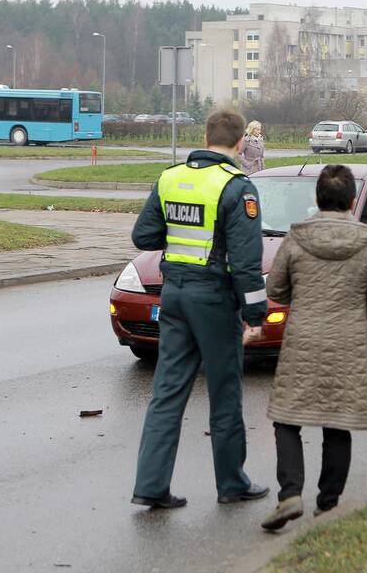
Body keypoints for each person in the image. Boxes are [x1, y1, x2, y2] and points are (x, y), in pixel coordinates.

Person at [130, 110, 270, 509]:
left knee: (167, 392)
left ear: (205, 135)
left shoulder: (170, 177)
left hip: (173, 295)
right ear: (241, 142)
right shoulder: (236, 187)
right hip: (213, 300)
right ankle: (231, 483)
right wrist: (256, 315)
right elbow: (245, 263)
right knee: (224, 393)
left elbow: (143, 235)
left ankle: (151, 486)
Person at [256, 164, 367, 530]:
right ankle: (328, 504)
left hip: (302, 338)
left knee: (287, 418)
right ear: (352, 201)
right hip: (348, 341)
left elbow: (276, 290)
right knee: (338, 422)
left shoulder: (297, 237)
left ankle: (289, 495)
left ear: (317, 199)